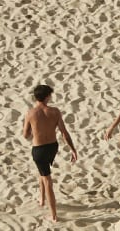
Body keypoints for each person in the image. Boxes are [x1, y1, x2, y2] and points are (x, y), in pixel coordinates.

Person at [22, 84, 78, 222]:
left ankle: (53, 215)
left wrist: (34, 132)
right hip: (52, 147)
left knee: (47, 180)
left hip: (39, 150)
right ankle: (41, 199)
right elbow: (64, 133)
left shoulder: (31, 113)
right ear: (47, 96)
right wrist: (72, 149)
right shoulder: (55, 111)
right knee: (43, 172)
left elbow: (25, 135)